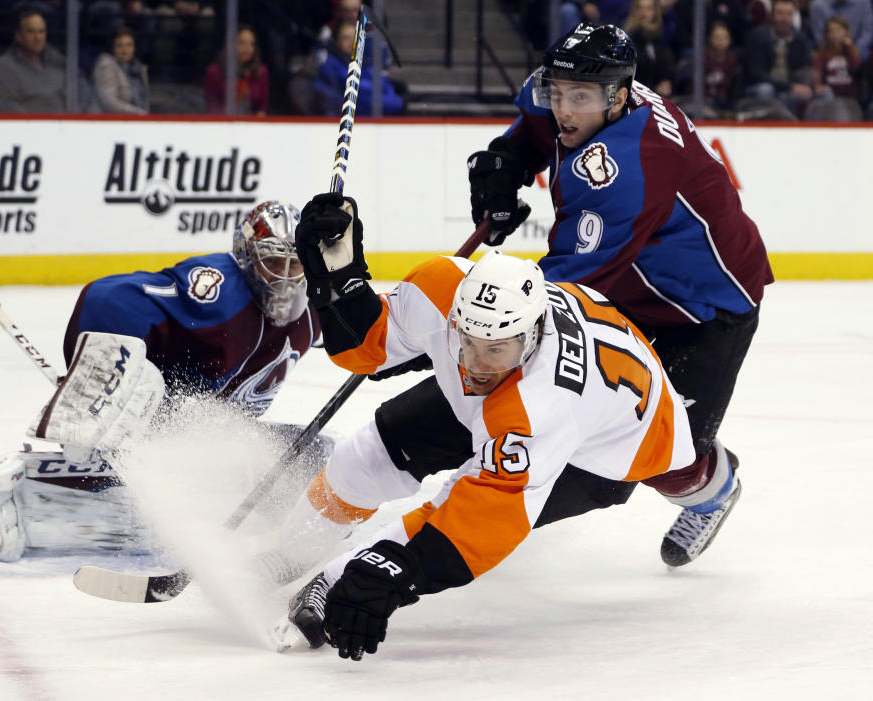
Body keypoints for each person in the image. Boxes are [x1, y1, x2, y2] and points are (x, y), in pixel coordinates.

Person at [263, 195, 702, 660]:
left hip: (607, 449)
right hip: (526, 390)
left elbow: (480, 522)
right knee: (373, 451)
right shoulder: (446, 291)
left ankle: (327, 581)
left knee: (452, 500)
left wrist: (388, 573)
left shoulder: (542, 407)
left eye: (493, 349)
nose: (473, 364)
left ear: (532, 336)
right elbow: (368, 347)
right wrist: (339, 279)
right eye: (466, 342)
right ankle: (289, 552)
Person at [458, 24, 770, 572]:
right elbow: (533, 129)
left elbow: (566, 291)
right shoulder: (584, 98)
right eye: (557, 92)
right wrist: (506, 161)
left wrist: (483, 319)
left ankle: (713, 488)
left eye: (578, 98)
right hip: (631, 278)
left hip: (704, 303)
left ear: (619, 96)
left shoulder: (629, 165)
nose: (564, 109)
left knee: (664, 453)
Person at [0, 200, 325, 561]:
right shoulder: (218, 289)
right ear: (246, 255)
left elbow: (368, 333)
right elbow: (109, 299)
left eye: (296, 265)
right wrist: (102, 377)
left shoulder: (314, 311)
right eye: (275, 261)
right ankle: (46, 494)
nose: (286, 277)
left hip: (200, 433)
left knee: (318, 452)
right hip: (152, 415)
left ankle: (297, 527)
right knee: (145, 393)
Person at [0, 9, 90, 113]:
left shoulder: (58, 61)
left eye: (41, 31)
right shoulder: (4, 68)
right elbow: (6, 106)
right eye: (31, 32)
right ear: (18, 36)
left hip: (66, 125)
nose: (37, 37)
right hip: (27, 127)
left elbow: (81, 88)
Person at [743, 0, 814, 117]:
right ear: (771, 15)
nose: (784, 18)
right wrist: (790, 86)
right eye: (780, 13)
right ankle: (766, 125)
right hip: (762, 87)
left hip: (790, 88)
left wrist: (804, 85)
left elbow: (806, 68)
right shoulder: (758, 36)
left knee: (810, 94)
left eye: (788, 14)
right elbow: (756, 74)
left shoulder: (801, 39)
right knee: (766, 90)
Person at [806, 15, 863, 120]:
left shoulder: (851, 52)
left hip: (849, 99)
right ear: (827, 34)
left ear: (846, 32)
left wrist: (849, 46)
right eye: (831, 31)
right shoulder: (822, 54)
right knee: (827, 95)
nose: (835, 34)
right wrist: (818, 85)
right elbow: (816, 73)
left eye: (838, 30)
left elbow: (855, 68)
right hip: (829, 98)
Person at [203, 25, 269, 115]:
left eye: (251, 44)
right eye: (242, 43)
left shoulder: (261, 72)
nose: (247, 48)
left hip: (252, 125)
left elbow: (262, 108)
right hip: (223, 123)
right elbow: (211, 106)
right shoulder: (214, 72)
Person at [623, 0, 676, 97]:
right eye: (640, 8)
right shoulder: (627, 41)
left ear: (655, 12)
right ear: (634, 11)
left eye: (648, 8)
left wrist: (666, 82)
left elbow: (667, 71)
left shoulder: (661, 39)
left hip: (660, 98)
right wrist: (654, 88)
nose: (644, 13)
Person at [93, 26, 151, 114]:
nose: (125, 50)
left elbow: (144, 100)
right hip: (109, 123)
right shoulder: (106, 65)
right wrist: (139, 113)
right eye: (120, 46)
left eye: (129, 45)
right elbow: (108, 102)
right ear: (113, 48)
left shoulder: (138, 68)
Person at [808, 0, 873, 63]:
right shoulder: (818, 6)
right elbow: (820, 39)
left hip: (857, 50)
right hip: (829, 52)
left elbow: (867, 33)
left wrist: (852, 51)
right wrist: (836, 55)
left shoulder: (864, 2)